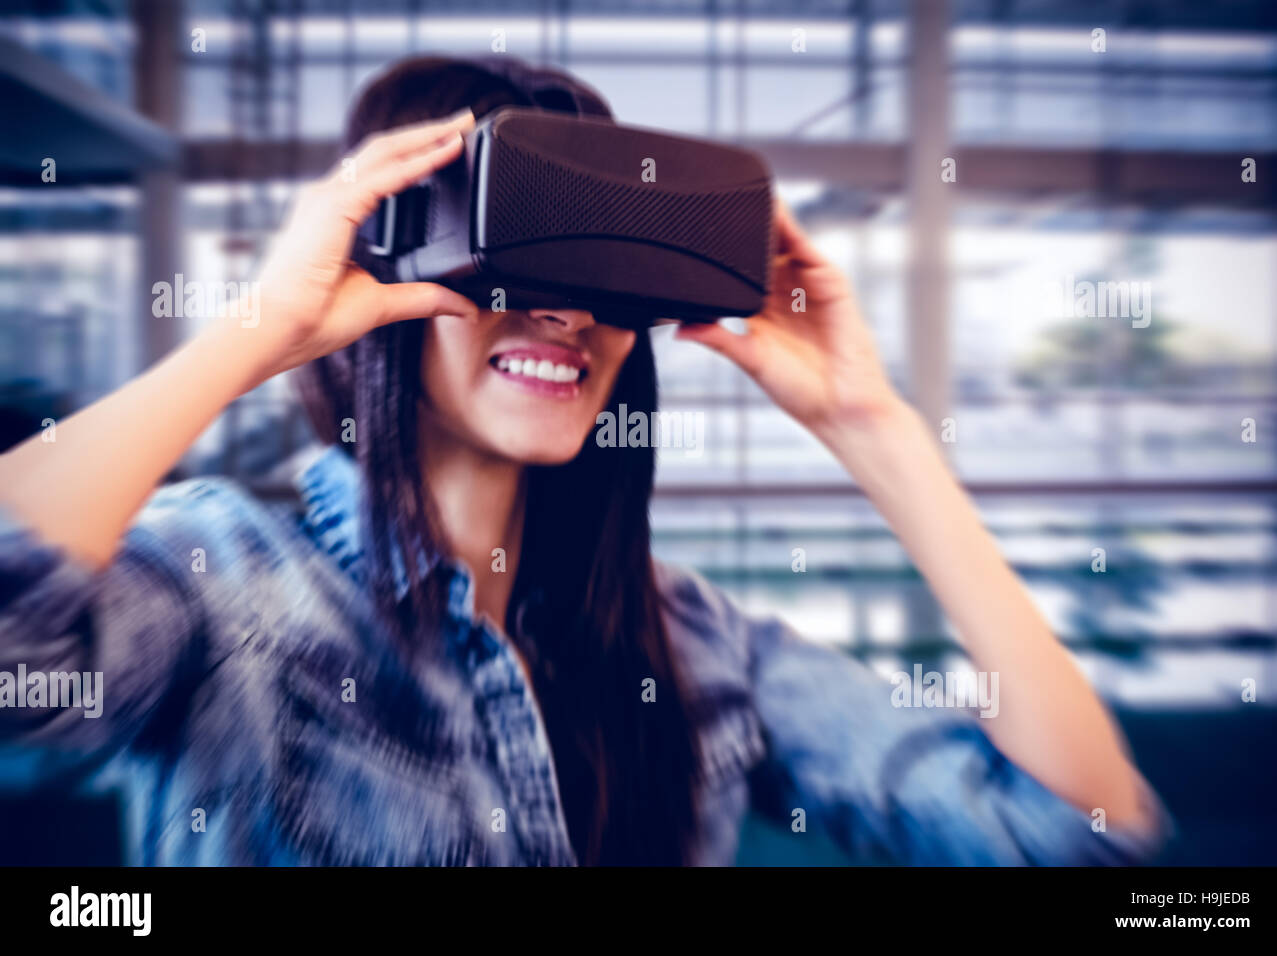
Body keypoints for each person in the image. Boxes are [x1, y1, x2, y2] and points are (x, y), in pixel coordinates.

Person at [0, 56, 1168, 866]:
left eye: (599, 275)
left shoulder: (699, 645)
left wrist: (879, 431)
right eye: (512, 263)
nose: (563, 314)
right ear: (385, 276)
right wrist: (254, 333)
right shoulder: (226, 582)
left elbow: (1075, 835)